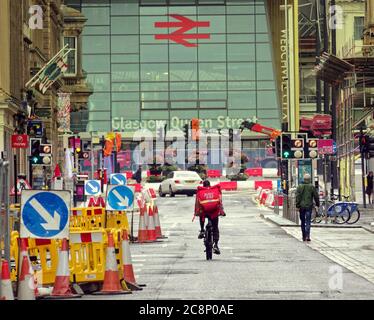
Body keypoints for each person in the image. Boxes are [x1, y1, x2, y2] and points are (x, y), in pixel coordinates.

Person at [194, 180, 224, 254]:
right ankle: (216, 245)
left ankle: (202, 230)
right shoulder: (215, 191)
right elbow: (220, 202)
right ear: (210, 185)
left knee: (201, 215)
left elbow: (197, 204)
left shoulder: (200, 192)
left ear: (203, 186)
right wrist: (222, 212)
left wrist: (196, 213)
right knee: (215, 227)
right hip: (214, 212)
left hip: (204, 212)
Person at [296, 173, 320, 242]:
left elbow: (298, 197)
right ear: (309, 179)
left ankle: (303, 236)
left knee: (302, 222)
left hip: (301, 207)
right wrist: (317, 204)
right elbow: (316, 196)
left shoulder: (299, 187)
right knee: (308, 221)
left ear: (303, 179)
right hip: (309, 206)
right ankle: (307, 236)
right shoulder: (311, 187)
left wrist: (297, 206)